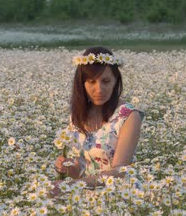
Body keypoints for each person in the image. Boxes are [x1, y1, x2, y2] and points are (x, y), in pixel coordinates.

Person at [51, 46, 143, 196]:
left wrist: (70, 185)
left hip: (119, 197)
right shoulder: (77, 116)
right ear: (82, 84)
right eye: (91, 82)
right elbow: (84, 174)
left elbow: (119, 172)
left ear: (116, 81)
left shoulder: (129, 116)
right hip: (85, 195)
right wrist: (71, 171)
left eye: (105, 81)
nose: (99, 89)